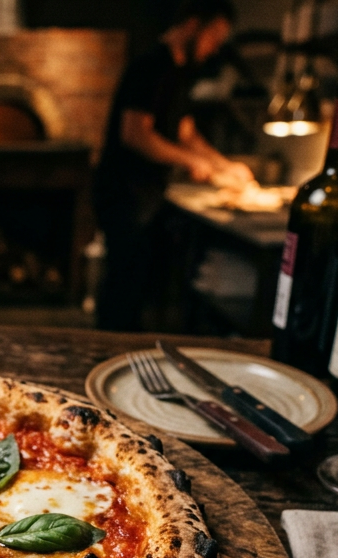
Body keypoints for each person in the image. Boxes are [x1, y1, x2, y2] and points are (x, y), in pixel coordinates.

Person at [94, 0, 251, 330]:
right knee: (123, 285)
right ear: (194, 24)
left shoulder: (179, 73)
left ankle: (124, 352)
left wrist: (225, 166)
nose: (214, 48)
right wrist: (191, 161)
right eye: (214, 37)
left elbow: (184, 131)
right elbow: (135, 134)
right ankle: (106, 355)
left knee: (138, 283)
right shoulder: (150, 65)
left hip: (149, 195)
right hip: (123, 193)